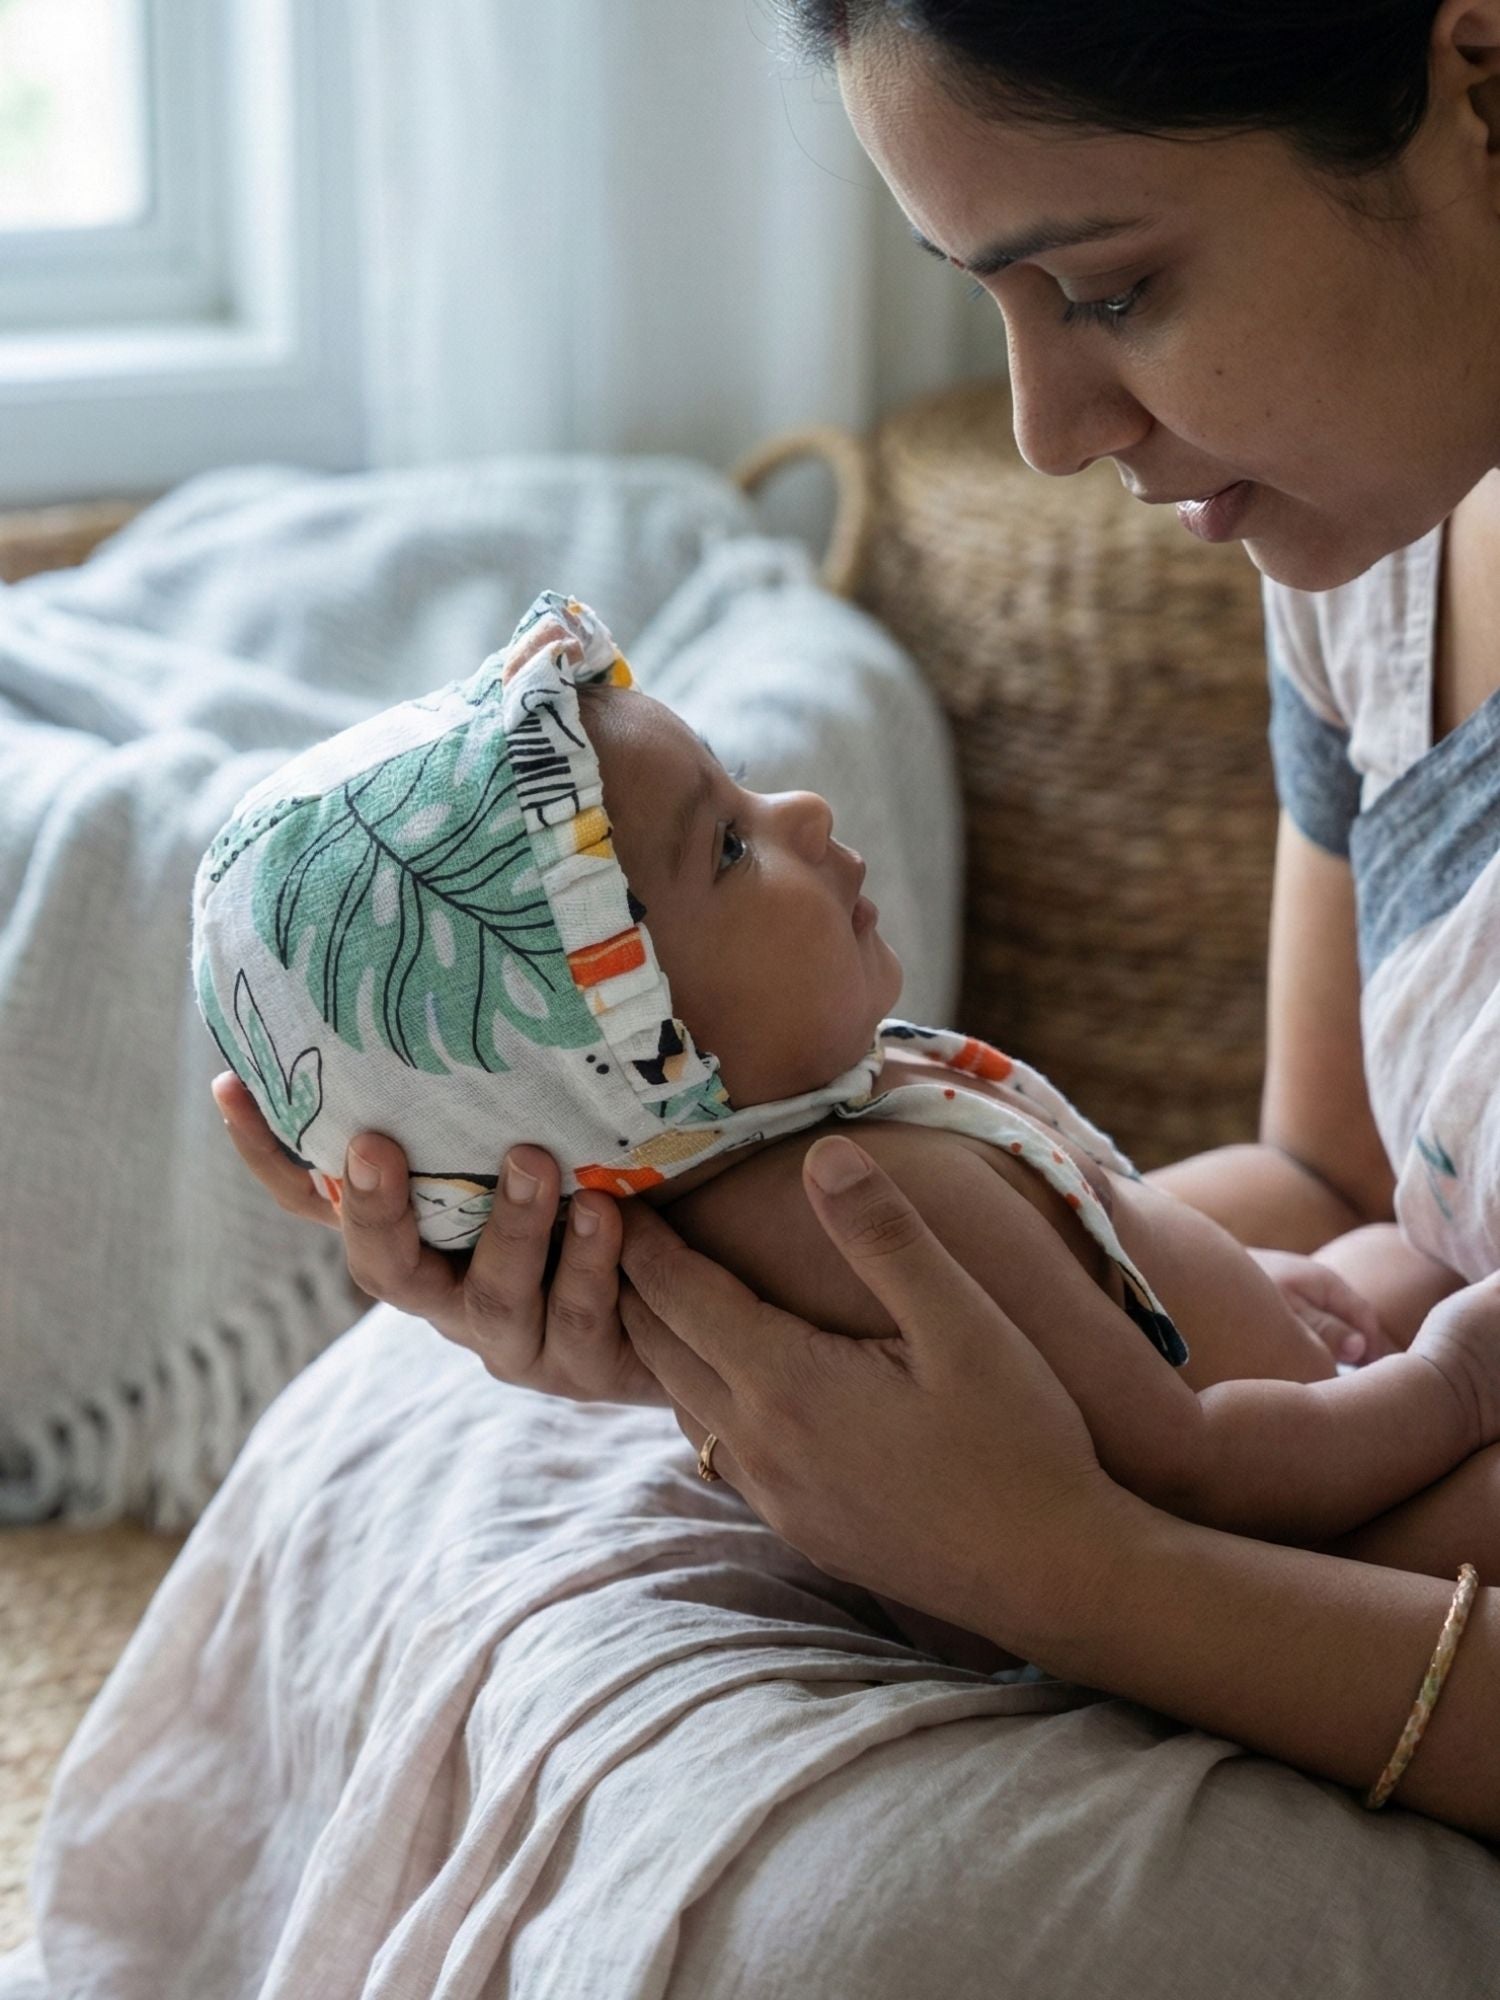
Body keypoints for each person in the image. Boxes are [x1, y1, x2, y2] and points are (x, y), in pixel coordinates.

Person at [216, 0, 1500, 1832]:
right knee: (388, 1440)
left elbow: (1214, 1444)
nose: (1043, 429)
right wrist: (710, 1331)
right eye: (989, 295)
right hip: (1333, 1438)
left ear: (1480, 83)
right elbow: (1346, 1190)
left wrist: (1070, 1574)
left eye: (1112, 288)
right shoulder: (1377, 531)